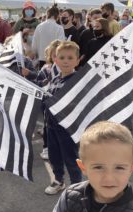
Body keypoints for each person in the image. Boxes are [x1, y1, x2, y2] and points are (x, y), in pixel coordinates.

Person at [46, 121, 133, 212]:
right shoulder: (70, 196)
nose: (108, 178)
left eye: (119, 167)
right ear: (83, 167)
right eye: (98, 167)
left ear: (132, 168)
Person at [44, 41, 81, 195]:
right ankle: (59, 179)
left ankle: (77, 186)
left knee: (71, 158)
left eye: (70, 58)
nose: (66, 61)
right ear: (56, 60)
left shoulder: (77, 80)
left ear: (77, 61)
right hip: (51, 126)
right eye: (62, 57)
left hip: (67, 128)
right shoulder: (55, 79)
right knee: (54, 155)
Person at [35, 39, 61, 160]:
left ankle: (60, 147)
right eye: (54, 55)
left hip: (63, 104)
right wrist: (46, 82)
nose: (58, 58)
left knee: (61, 126)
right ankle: (46, 148)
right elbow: (38, 83)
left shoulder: (68, 69)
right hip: (48, 103)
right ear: (50, 55)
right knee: (47, 126)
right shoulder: (46, 69)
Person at [32, 4, 65, 69]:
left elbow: (34, 45)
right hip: (54, 59)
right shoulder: (59, 28)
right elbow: (61, 44)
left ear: (47, 14)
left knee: (42, 78)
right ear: (57, 16)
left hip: (41, 58)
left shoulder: (39, 26)